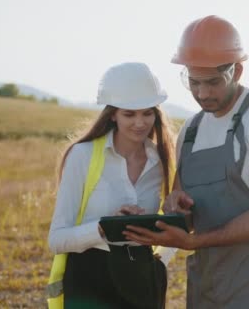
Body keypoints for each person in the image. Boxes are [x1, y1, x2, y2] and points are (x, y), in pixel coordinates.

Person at [123, 15, 249, 308]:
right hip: (207, 286)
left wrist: (193, 242)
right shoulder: (191, 131)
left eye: (213, 82)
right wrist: (176, 208)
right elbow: (187, 214)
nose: (202, 93)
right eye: (193, 82)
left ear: (238, 70)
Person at [46, 62, 175, 308]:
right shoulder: (82, 156)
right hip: (90, 278)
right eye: (129, 113)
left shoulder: (162, 162)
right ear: (113, 114)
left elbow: (176, 220)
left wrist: (159, 262)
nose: (140, 122)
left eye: (148, 112)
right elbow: (56, 240)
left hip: (143, 278)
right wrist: (106, 228)